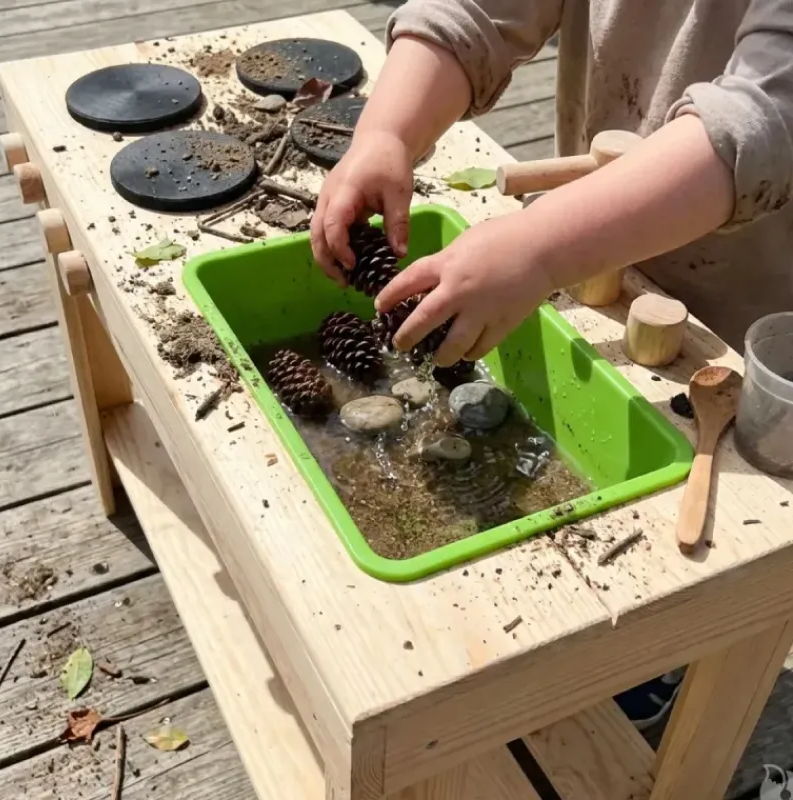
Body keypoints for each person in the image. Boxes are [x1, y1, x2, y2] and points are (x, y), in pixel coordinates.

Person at [310, 0, 793, 729]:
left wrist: (536, 249)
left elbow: (766, 117)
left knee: (709, 541)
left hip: (750, 328)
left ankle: (659, 656)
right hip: (591, 253)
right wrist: (385, 133)